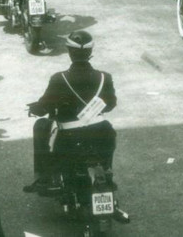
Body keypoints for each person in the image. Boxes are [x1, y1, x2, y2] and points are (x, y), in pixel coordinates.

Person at [25, 31, 129, 223]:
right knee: (104, 155)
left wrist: (36, 109)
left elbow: (45, 106)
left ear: (69, 51)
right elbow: (111, 103)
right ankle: (106, 173)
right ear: (91, 51)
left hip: (70, 139)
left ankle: (46, 178)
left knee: (42, 127)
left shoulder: (59, 78)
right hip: (102, 134)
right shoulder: (104, 77)